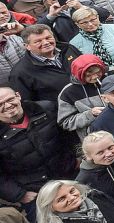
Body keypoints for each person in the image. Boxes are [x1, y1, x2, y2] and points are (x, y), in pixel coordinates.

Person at [0, 87, 78, 218]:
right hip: (37, 193)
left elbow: (69, 134)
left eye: (10, 99)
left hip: (70, 176)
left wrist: (77, 158)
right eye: (0, 104)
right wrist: (20, 195)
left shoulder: (45, 108)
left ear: (18, 95)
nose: (7, 106)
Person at [8, 24, 81, 104]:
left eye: (48, 38)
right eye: (38, 41)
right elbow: (28, 104)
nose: (46, 42)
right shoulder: (20, 73)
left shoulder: (69, 49)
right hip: (62, 113)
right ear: (27, 46)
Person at [33, 179, 114, 223]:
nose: (71, 198)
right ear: (50, 208)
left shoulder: (95, 196)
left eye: (72, 191)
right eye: (62, 199)